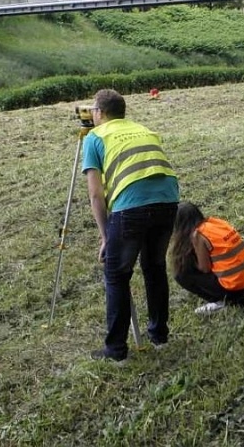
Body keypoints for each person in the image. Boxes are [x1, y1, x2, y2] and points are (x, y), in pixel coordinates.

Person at [82, 89, 180, 362]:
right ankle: (159, 335)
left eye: (93, 110)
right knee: (154, 267)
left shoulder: (94, 137)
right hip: (168, 200)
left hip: (131, 206)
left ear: (99, 113)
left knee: (116, 275)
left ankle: (116, 351)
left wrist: (105, 237)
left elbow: (95, 194)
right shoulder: (143, 129)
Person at [170, 201, 244, 314]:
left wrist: (191, 262)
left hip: (233, 287)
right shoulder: (216, 223)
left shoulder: (198, 235)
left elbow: (204, 268)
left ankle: (221, 301)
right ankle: (237, 296)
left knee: (181, 274)